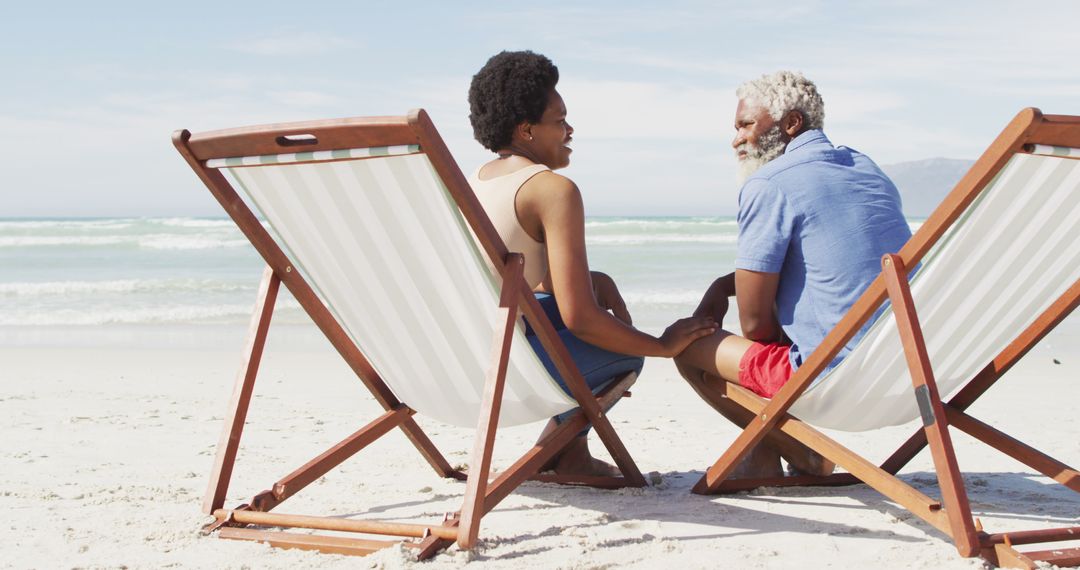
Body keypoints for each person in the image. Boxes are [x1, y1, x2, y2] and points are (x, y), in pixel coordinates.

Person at [467, 50, 717, 477]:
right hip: (505, 380)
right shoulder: (551, 190)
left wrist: (592, 278)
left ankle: (570, 454)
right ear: (527, 130)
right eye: (560, 120)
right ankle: (559, 451)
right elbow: (580, 319)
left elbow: (506, 279)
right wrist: (660, 345)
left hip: (459, 365)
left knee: (579, 313)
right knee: (622, 349)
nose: (570, 130)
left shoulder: (473, 182)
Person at [674, 71, 912, 478]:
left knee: (686, 342)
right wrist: (722, 285)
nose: (736, 140)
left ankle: (802, 454)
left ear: (791, 123)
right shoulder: (867, 169)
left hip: (838, 381)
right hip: (909, 371)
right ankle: (764, 456)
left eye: (746, 125)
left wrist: (762, 321)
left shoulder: (770, 183)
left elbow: (754, 325)